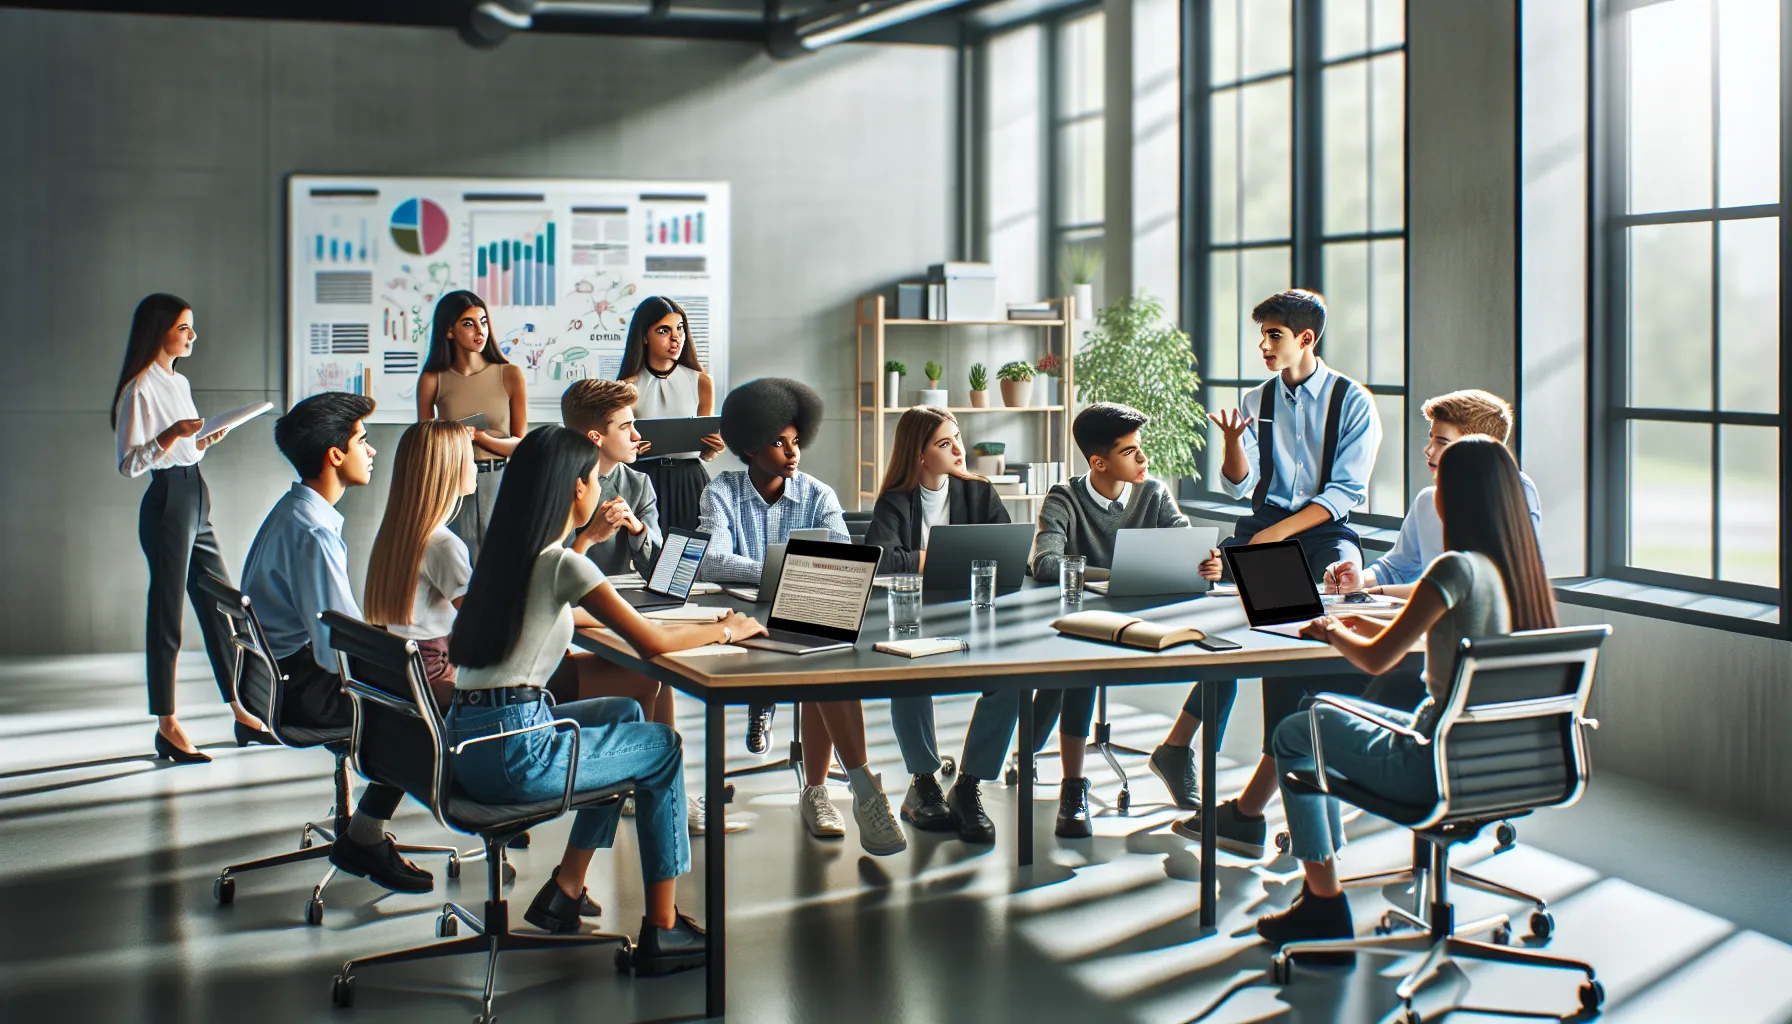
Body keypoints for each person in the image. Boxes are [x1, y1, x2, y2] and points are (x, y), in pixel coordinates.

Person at [444, 426, 766, 973]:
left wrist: (696, 624)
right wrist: (728, 629)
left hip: (469, 741)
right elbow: (653, 643)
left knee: (623, 714)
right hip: (517, 752)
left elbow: (577, 617)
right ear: (574, 489)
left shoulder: (508, 558)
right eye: (594, 477)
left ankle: (566, 889)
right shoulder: (563, 564)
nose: (599, 486)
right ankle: (663, 932)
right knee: (660, 746)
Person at [1174, 389, 1547, 856]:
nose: (1429, 453)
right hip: (1450, 672)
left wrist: (1347, 620)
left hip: (1435, 683)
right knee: (1301, 675)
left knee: (1305, 709)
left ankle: (1276, 825)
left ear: (1477, 455)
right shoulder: (1435, 502)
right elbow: (1399, 567)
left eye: (1443, 444)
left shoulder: (1505, 502)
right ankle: (1268, 814)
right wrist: (1360, 580)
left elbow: (1445, 591)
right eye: (1431, 440)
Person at [1249, 436, 1556, 958]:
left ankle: (1324, 900)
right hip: (1497, 759)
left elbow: (1374, 660)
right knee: (1313, 716)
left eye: (1439, 481)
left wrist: (1330, 630)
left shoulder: (1455, 567)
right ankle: (1323, 878)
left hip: (1430, 760)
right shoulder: (1515, 572)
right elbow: (1429, 629)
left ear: (1454, 497)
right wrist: (1362, 618)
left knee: (1294, 733)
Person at [1167, 289, 1383, 812]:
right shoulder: (1255, 400)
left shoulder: (1353, 400)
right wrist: (1233, 444)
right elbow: (1241, 488)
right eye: (1262, 334)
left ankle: (1261, 774)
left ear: (1306, 339)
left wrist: (1275, 538)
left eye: (1274, 335)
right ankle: (1187, 753)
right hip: (1266, 521)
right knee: (1235, 639)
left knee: (1291, 643)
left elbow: (1344, 494)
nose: (1263, 345)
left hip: (1321, 528)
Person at [697, 378, 907, 856]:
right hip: (741, 621)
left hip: (807, 612)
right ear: (749, 446)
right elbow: (711, 561)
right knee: (819, 656)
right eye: (778, 442)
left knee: (823, 658)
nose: (793, 453)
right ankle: (843, 784)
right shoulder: (721, 492)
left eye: (796, 441)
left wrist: (784, 573)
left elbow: (838, 561)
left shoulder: (818, 494)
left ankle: (842, 790)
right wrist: (790, 567)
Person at [240, 393, 431, 895]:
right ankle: (365, 836)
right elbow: (337, 653)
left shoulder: (295, 511)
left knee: (415, 677)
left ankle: (364, 830)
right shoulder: (314, 533)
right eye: (363, 441)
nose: (372, 451)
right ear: (335, 454)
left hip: (277, 682)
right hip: (306, 688)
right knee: (426, 706)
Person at [112, 294, 273, 763]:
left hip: (196, 494)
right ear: (159, 330)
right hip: (167, 501)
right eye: (184, 327)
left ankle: (242, 710)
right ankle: (167, 724)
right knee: (167, 615)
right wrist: (171, 436)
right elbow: (129, 464)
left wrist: (202, 440)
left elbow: (186, 451)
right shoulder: (138, 388)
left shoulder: (178, 383)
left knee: (221, 604)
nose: (192, 336)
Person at [1029, 402, 1193, 838]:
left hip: (1143, 617)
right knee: (1081, 668)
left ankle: (1181, 757)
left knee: (1218, 660)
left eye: (1141, 449)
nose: (1143, 459)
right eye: (1130, 452)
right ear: (1099, 462)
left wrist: (1205, 562)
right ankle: (1072, 786)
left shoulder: (1153, 493)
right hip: (1082, 621)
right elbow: (1045, 563)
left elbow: (1186, 544)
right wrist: (1120, 572)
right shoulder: (1063, 498)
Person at [866, 406, 1017, 844]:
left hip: (975, 614)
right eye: (944, 443)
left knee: (1009, 679)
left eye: (957, 438)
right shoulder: (895, 500)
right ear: (919, 454)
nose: (958, 449)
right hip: (913, 617)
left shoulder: (980, 493)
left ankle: (968, 786)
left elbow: (1003, 554)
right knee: (908, 676)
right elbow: (881, 558)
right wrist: (932, 559)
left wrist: (922, 561)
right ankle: (923, 781)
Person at [363, 420, 478, 711]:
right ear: (451, 468)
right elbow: (483, 625)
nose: (477, 466)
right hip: (435, 685)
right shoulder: (443, 545)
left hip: (404, 679)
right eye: (471, 458)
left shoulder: (399, 534)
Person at [416, 290, 525, 561]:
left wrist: (478, 437)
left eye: (484, 321)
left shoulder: (509, 374)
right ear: (449, 331)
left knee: (500, 563)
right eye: (468, 323)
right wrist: (455, 439)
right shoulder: (432, 379)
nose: (480, 331)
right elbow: (426, 443)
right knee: (458, 561)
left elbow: (520, 446)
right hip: (453, 481)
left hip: (500, 478)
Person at [619, 296, 723, 535]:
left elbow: (706, 453)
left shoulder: (701, 381)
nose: (676, 337)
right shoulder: (626, 387)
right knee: (646, 554)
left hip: (690, 479)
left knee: (691, 556)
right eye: (664, 330)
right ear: (644, 336)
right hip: (644, 479)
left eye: (680, 329)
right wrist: (630, 453)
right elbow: (617, 449)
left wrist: (713, 448)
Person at [561, 378, 662, 577]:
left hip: (625, 596)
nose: (637, 436)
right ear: (595, 437)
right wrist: (591, 535)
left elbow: (659, 570)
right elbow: (554, 572)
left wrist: (638, 530)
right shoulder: (556, 485)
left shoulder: (639, 484)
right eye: (625, 427)